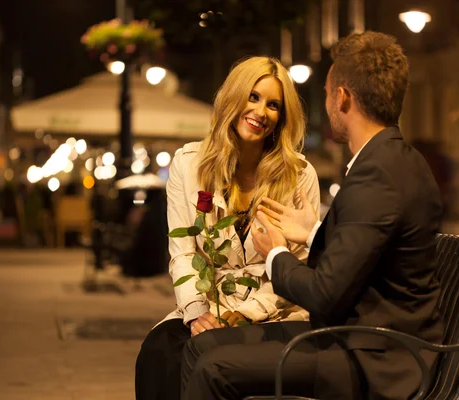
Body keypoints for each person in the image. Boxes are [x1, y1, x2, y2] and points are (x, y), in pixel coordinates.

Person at [180, 31, 444, 400]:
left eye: (325, 92)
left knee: (214, 368)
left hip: (376, 358)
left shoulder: (377, 174)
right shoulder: (394, 161)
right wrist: (313, 232)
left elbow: (323, 295)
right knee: (202, 348)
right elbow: (368, 252)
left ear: (342, 97)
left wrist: (275, 253)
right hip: (366, 341)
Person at [135, 56, 321, 400]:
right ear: (232, 98)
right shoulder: (189, 164)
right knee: (159, 352)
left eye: (274, 105)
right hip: (206, 306)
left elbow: (299, 267)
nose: (261, 112)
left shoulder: (300, 175)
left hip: (277, 312)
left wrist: (244, 314)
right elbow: (182, 254)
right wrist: (197, 314)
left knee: (216, 358)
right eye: (253, 97)